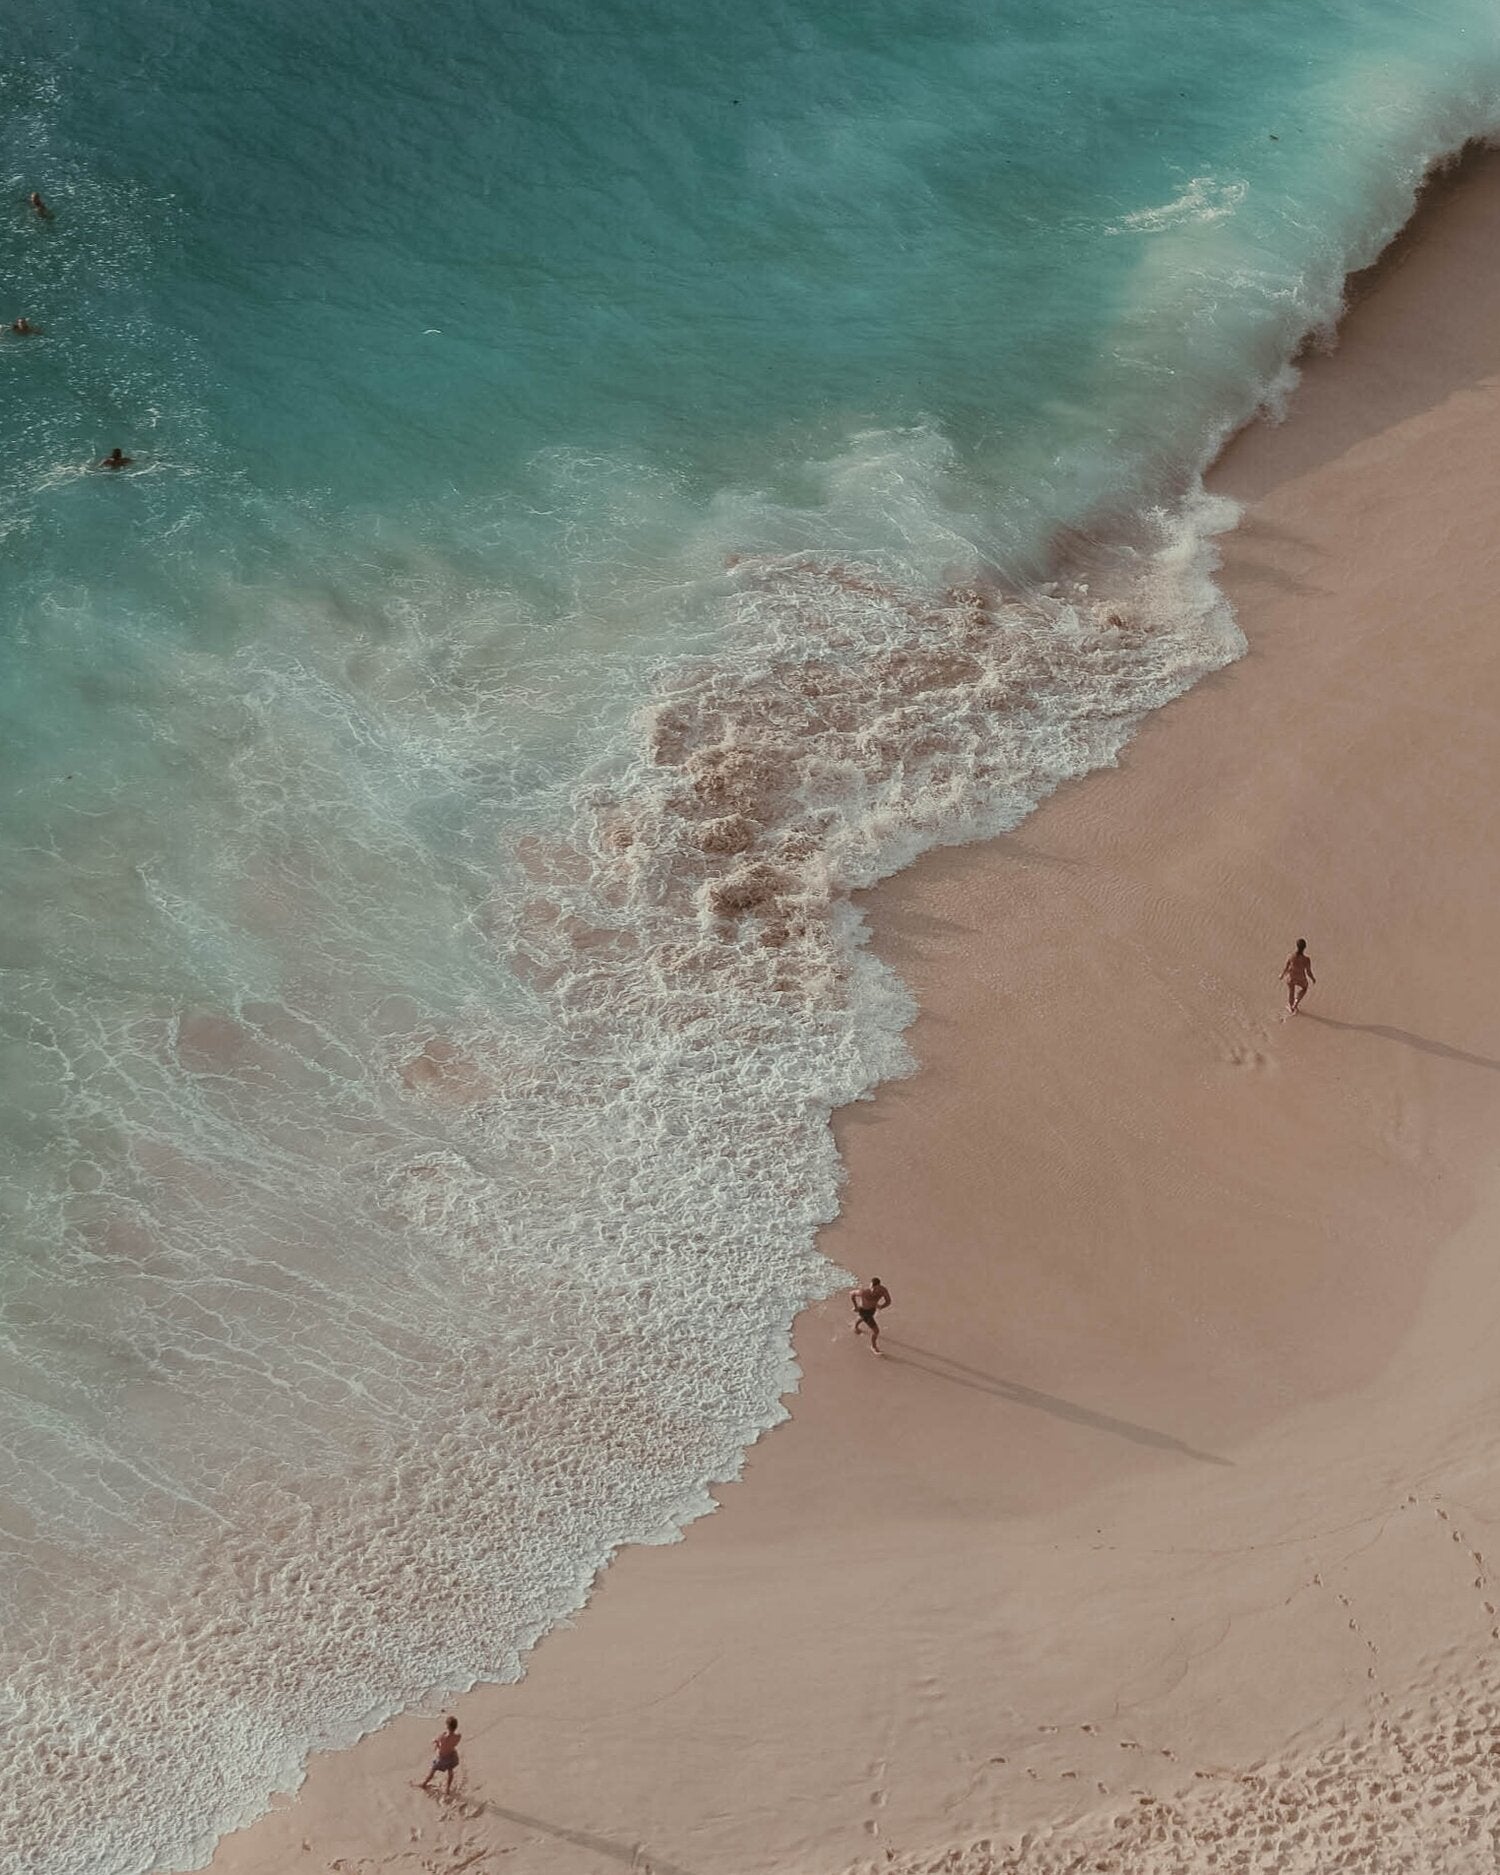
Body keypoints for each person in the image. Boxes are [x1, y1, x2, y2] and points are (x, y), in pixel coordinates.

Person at [419, 1715, 461, 1794]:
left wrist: (436, 1742)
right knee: (450, 1771)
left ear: (447, 1726)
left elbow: (440, 1746)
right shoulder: (458, 1736)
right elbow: (453, 1744)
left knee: (433, 1770)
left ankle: (424, 1784)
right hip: (452, 1756)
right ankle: (447, 1788)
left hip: (442, 1758)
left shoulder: (443, 1737)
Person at [850, 1276, 892, 1354]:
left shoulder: (883, 1291)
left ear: (879, 1286)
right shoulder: (864, 1292)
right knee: (876, 1331)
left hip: (872, 1310)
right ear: (870, 1285)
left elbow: (888, 1301)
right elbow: (852, 1294)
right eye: (872, 1287)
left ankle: (855, 1326)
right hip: (863, 1310)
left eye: (875, 1288)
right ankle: (873, 1346)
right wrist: (855, 1306)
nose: (873, 1290)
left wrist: (881, 1306)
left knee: (862, 1318)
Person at [1280, 937, 1315, 1016]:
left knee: (1291, 992)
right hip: (1300, 978)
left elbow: (1286, 967)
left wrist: (1282, 975)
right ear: (1305, 947)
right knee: (1304, 988)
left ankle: (1291, 1007)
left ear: (1296, 946)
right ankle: (1296, 1003)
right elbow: (1308, 972)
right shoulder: (1306, 959)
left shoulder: (1291, 956)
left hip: (1291, 977)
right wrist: (1313, 978)